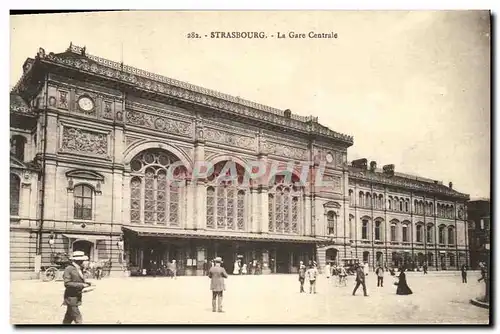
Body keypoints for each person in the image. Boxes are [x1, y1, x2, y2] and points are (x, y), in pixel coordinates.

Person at [62, 251, 92, 324]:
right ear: (77, 261)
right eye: (82, 260)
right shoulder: (69, 269)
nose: (83, 262)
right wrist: (81, 285)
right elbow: (67, 283)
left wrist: (86, 283)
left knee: (68, 319)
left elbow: (77, 280)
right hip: (70, 297)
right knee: (78, 319)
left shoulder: (79, 269)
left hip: (77, 296)